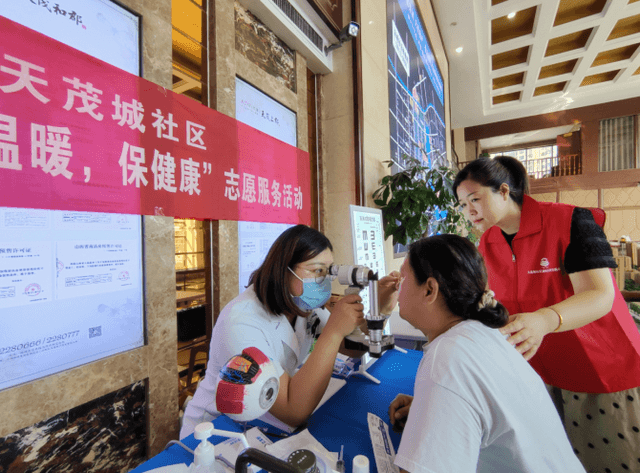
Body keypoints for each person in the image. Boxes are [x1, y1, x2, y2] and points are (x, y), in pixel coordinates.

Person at [453, 156, 640, 472]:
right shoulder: (487, 242)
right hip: (539, 374)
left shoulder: (570, 221)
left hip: (601, 368)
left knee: (608, 460)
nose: (469, 210)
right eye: (462, 204)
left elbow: (600, 295)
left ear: (503, 191)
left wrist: (544, 319)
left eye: (475, 199)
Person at [387, 234, 585, 472]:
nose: (397, 285)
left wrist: (438, 398)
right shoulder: (484, 334)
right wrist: (433, 409)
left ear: (430, 290)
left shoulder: (448, 358)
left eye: (403, 277)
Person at [180, 224, 399, 438]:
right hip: (216, 430)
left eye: (328, 271)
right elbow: (293, 411)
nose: (324, 281)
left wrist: (380, 309)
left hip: (262, 419)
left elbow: (349, 345)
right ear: (284, 270)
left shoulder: (301, 304)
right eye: (317, 271)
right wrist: (333, 331)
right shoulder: (241, 322)